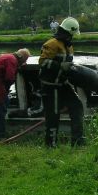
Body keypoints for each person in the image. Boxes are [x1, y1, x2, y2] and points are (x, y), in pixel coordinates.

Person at [38, 17, 84, 147]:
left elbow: (68, 65)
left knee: (77, 106)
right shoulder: (52, 44)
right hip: (50, 87)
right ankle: (50, 146)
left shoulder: (69, 47)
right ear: (67, 32)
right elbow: (42, 62)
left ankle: (78, 142)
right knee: (53, 117)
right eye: (72, 35)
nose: (72, 38)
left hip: (63, 84)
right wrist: (60, 66)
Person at [0, 48, 31, 139]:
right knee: (1, 110)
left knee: (5, 102)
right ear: (21, 57)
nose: (25, 61)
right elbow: (9, 77)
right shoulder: (12, 60)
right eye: (25, 59)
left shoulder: (9, 57)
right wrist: (5, 91)